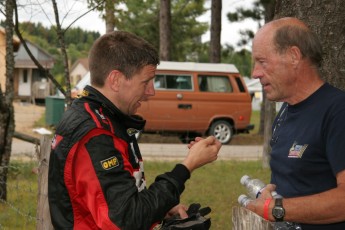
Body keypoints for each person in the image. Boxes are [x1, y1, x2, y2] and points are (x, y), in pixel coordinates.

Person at [48, 31, 222, 230]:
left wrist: (160, 209)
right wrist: (187, 166)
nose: (151, 92)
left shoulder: (103, 118)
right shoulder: (94, 134)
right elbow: (126, 219)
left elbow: (116, 201)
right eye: (146, 82)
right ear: (116, 80)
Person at [245, 17, 345, 229]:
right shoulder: (285, 112)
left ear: (293, 56)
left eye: (262, 62)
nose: (255, 73)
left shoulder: (338, 111)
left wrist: (278, 208)